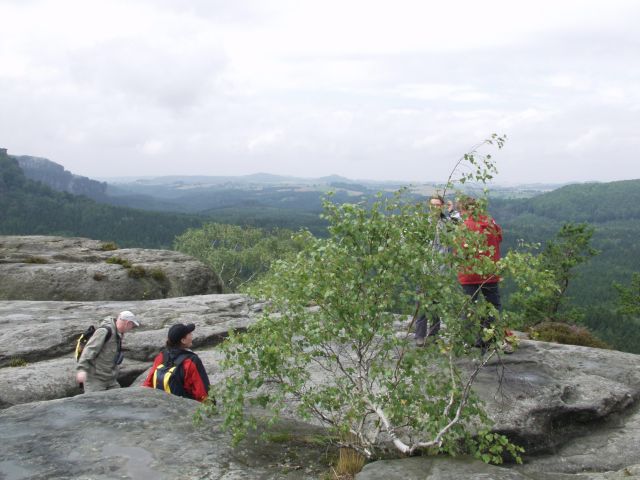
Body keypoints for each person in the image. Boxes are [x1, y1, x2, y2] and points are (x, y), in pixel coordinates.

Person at [456, 196, 505, 350]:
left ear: (464, 210)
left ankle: (466, 341)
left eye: (460, 210)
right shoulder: (490, 223)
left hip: (469, 274)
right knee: (493, 306)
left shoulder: (463, 227)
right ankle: (487, 338)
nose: (460, 213)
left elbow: (458, 251)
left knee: (469, 308)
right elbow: (500, 237)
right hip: (489, 273)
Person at [414, 194, 459, 347]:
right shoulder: (422, 222)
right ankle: (420, 336)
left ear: (442, 206)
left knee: (436, 305)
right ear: (429, 205)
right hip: (424, 271)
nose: (435, 207)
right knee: (422, 304)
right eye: (432, 204)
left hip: (441, 272)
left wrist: (452, 211)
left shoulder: (446, 222)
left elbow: (460, 228)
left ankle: (434, 335)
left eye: (438, 205)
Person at [143, 323, 211, 402]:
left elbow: (148, 383)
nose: (192, 335)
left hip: (162, 403)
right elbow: (202, 392)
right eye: (189, 334)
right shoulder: (191, 361)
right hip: (185, 405)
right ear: (183, 340)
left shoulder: (162, 356)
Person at [76, 310, 140, 392]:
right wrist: (81, 370)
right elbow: (89, 350)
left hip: (110, 379)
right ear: (128, 323)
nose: (131, 329)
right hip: (95, 379)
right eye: (132, 326)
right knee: (95, 400)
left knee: (119, 397)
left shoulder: (118, 334)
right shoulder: (105, 331)